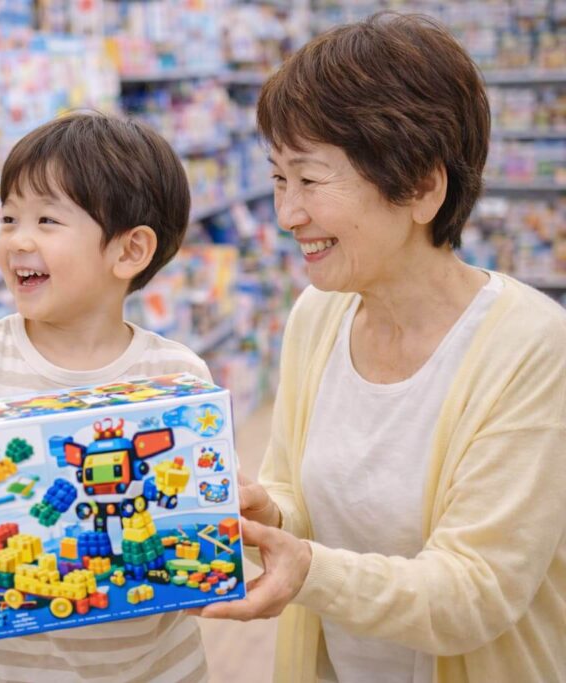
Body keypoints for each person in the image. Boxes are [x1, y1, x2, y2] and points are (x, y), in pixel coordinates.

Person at [198, 13, 566, 683]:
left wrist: (309, 568)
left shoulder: (531, 347)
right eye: (279, 179)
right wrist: (271, 514)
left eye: (310, 180)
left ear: (422, 185)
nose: (287, 214)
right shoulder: (319, 314)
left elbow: (477, 588)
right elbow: (297, 483)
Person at [0, 111, 212, 682]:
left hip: (151, 669)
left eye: (47, 219)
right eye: (8, 218)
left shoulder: (174, 379)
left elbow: (199, 526)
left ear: (129, 252)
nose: (17, 240)